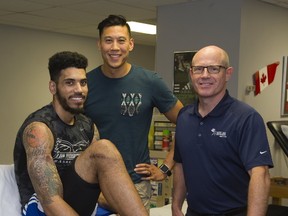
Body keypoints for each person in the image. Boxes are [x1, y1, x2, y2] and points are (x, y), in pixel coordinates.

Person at [13, 51, 148, 216]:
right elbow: (50, 201)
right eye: (70, 83)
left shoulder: (88, 126)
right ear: (53, 87)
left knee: (104, 151)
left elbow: (94, 188)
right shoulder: (39, 129)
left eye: (83, 83)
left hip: (78, 204)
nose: (79, 90)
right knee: (104, 148)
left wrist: (121, 207)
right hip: (42, 208)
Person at [84, 14, 183, 213]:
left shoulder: (150, 81)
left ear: (131, 44)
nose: (114, 47)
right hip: (93, 186)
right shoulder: (85, 84)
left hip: (135, 185)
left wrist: (166, 167)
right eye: (108, 40)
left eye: (121, 40)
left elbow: (186, 122)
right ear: (99, 44)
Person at [172, 45, 273, 216]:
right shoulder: (184, 117)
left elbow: (260, 174)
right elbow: (180, 165)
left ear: (228, 73)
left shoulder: (246, 118)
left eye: (213, 69)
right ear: (191, 74)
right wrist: (176, 205)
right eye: (198, 69)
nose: (205, 75)